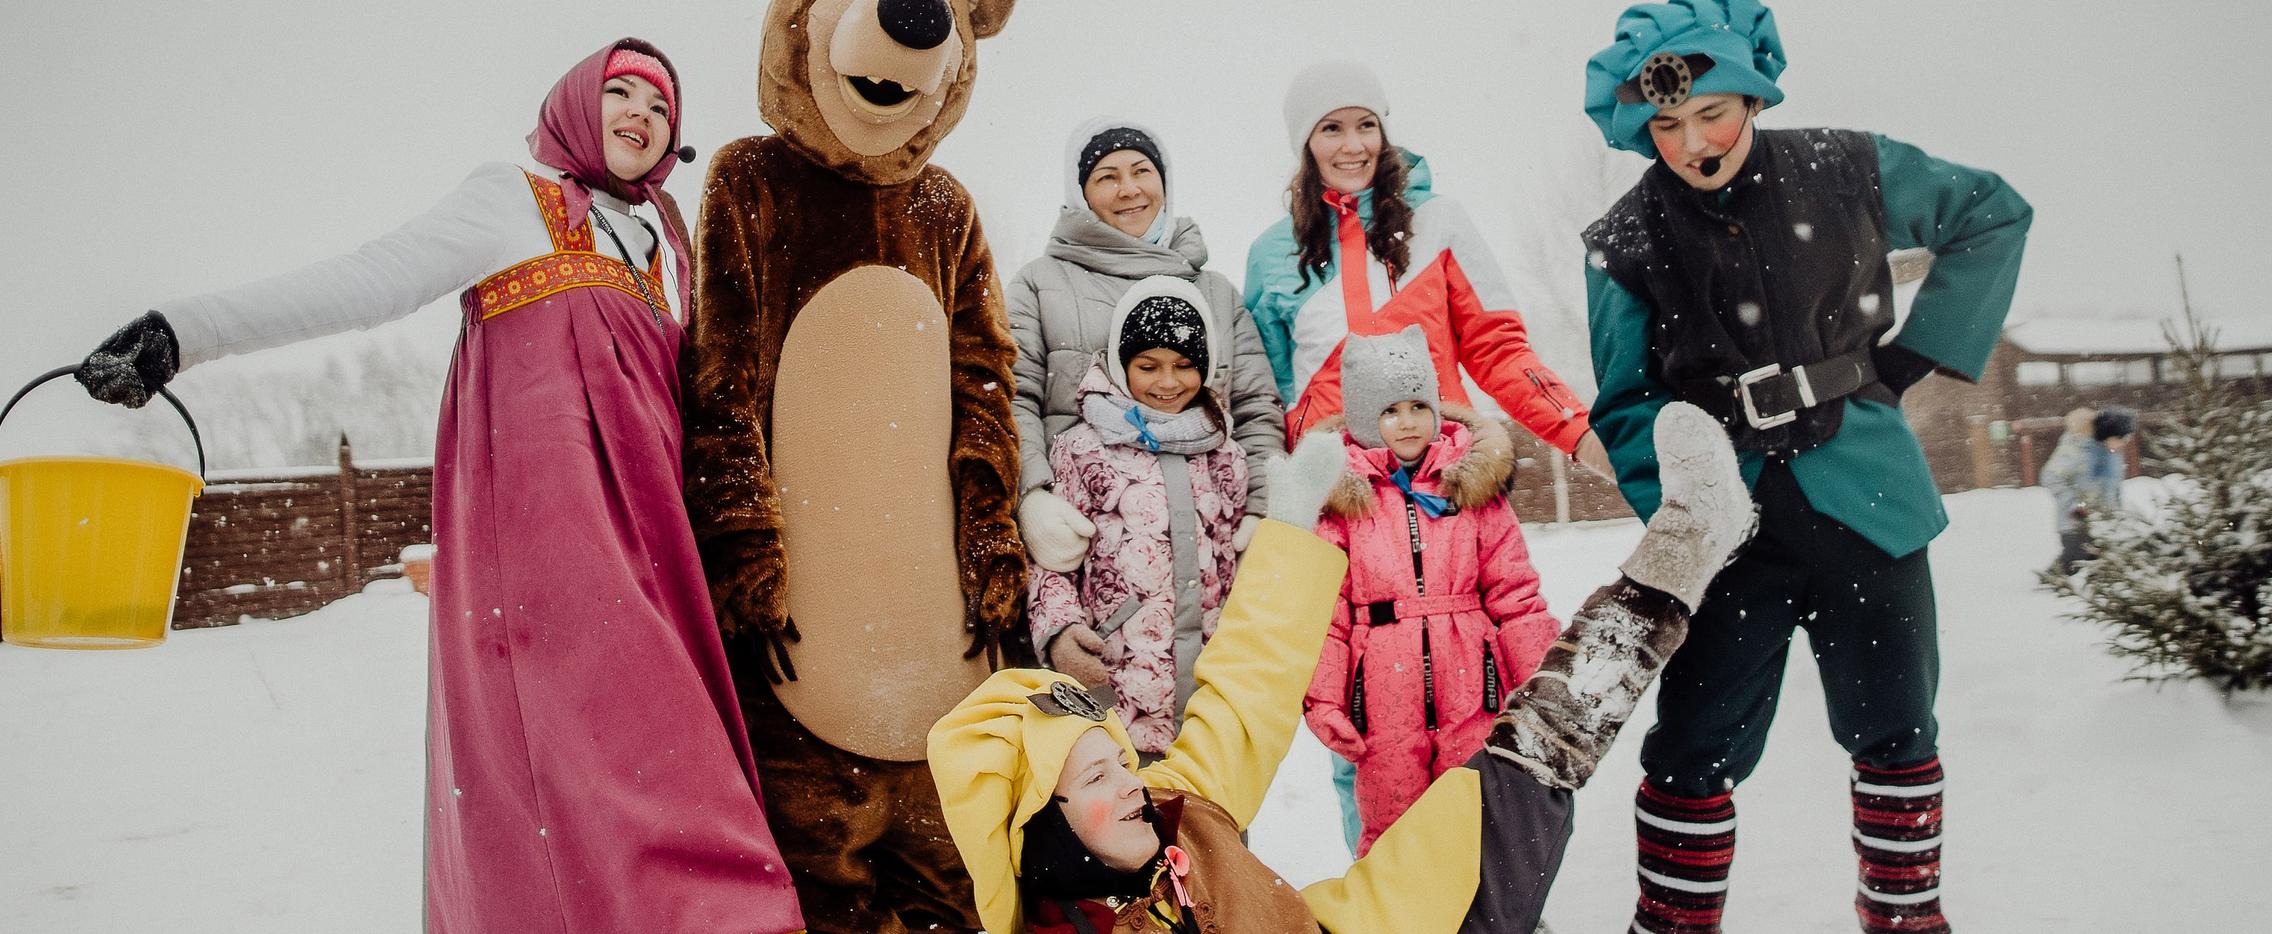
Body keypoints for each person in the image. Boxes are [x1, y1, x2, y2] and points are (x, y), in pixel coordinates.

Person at [71, 40, 804, 933]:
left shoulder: (667, 249)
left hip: (657, 549)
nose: (640, 117)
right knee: (651, 788)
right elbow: (366, 281)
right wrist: (184, 333)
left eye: (660, 109)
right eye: (620, 93)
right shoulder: (513, 202)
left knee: (674, 780)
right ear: (577, 105)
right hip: (552, 550)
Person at [927, 401, 1755, 934]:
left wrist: (1289, 531)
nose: (1132, 780)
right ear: (1038, 822)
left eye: (1119, 758)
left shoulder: (1178, 806)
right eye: (1097, 777)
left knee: (1530, 755)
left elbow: (1246, 685)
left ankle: (1680, 550)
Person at [1578, 2, 2032, 931]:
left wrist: (1912, 357)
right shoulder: (1623, 241)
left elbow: (1991, 213)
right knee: (1690, 752)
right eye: (1666, 126)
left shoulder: (1845, 167)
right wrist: (1687, 510)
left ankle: (1906, 919)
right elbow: (1625, 405)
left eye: (1712, 114)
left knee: (1898, 737)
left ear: (1752, 96)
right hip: (1726, 538)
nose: (1693, 143)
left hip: (1867, 504)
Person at [1245, 59, 1609, 851]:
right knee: (1367, 731)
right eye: (1330, 127)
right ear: (1304, 142)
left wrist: (1578, 431)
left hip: (1450, 497)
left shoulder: (1440, 223)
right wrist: (1283, 506)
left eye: (1366, 124)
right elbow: (1268, 402)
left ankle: (1487, 889)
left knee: (1474, 713)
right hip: (1345, 510)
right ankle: (1384, 892)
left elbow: (1500, 348)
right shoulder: (1272, 256)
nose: (1352, 144)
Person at [1300, 326, 1560, 855]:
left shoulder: (1472, 489)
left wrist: (1540, 682)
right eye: (1389, 411)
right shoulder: (1343, 503)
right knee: (1393, 827)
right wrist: (1324, 699)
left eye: (1418, 406)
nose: (1408, 422)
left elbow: (1516, 596)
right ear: (1363, 419)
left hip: (1473, 687)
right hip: (1381, 695)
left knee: (1474, 818)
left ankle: (1482, 901)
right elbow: (1326, 614)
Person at [1010, 118, 1286, 575]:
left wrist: (1261, 506)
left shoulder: (1216, 293)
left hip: (1209, 552)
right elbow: (1013, 396)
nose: (1129, 189)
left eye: (1142, 171)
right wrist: (1032, 494)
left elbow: (1256, 408)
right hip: (1086, 544)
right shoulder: (1040, 284)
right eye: (1107, 177)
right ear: (1080, 194)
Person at [1028, 277, 1252, 761]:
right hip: (1119, 692)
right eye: (1148, 367)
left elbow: (1235, 566)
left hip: (1210, 703)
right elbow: (1051, 563)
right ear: (1121, 364)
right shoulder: (1082, 449)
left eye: (1184, 366)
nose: (1168, 383)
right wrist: (1061, 633)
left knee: (1208, 809)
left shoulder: (1224, 453)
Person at [2042, 405, 2136, 574]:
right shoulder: (2078, 450)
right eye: (2121, 438)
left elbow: (2113, 489)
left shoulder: (2112, 455)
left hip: (2104, 522)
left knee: (2105, 564)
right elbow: (2051, 477)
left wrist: (2117, 514)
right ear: (2108, 433)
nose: (2124, 443)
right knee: (2075, 560)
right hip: (2076, 521)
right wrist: (2075, 505)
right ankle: (2048, 583)